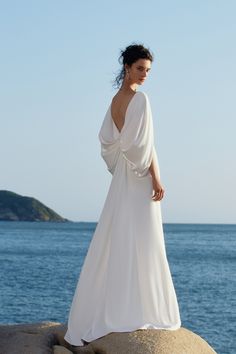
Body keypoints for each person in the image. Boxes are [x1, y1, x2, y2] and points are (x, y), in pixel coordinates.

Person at [64, 43, 181, 347]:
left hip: (121, 182)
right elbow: (145, 148)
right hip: (139, 180)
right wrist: (157, 178)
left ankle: (118, 310)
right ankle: (140, 310)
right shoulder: (140, 100)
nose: (145, 75)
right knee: (145, 240)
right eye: (140, 68)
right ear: (127, 67)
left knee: (119, 239)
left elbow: (110, 145)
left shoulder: (114, 101)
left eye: (148, 70)